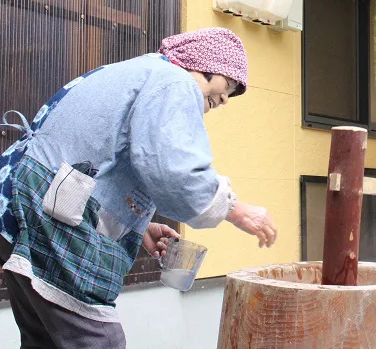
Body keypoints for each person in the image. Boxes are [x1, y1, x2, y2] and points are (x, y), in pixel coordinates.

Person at [0, 27, 278, 347]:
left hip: (23, 210)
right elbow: (175, 170)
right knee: (98, 339)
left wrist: (140, 227)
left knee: (45, 341)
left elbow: (104, 156)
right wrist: (234, 208)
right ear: (199, 65)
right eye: (225, 86)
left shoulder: (138, 73)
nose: (225, 99)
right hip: (56, 219)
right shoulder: (175, 82)